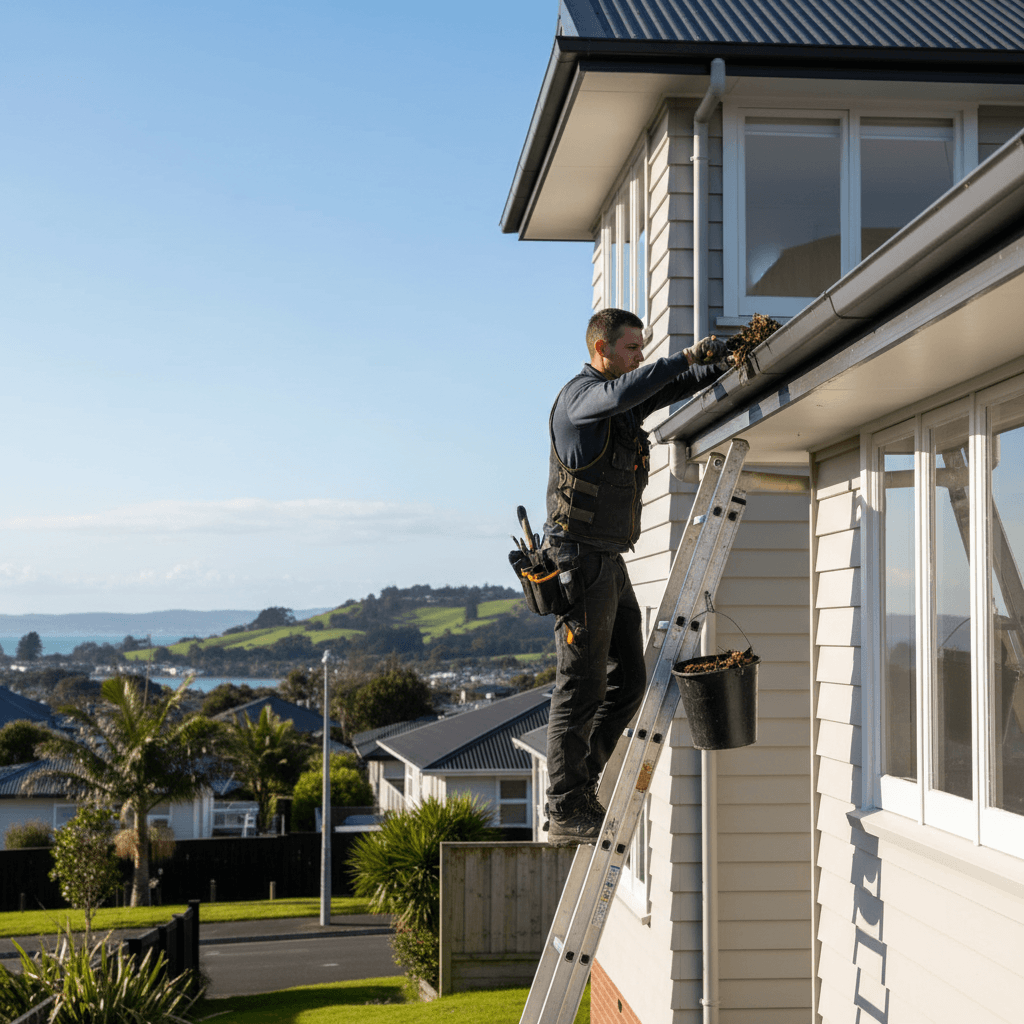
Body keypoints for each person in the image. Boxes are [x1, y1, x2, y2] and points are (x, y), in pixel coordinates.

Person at [543, 307, 728, 846]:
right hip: (577, 562)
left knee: (629, 685)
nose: (640, 357)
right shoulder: (580, 399)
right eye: (632, 349)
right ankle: (564, 805)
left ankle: (580, 787)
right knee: (580, 685)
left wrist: (715, 363)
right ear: (602, 350)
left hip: (607, 561)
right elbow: (629, 391)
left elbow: (663, 386)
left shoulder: (616, 405)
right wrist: (683, 357)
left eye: (643, 350)